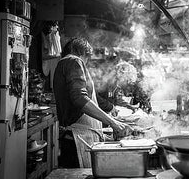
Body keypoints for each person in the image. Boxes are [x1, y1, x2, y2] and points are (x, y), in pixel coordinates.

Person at [53, 37, 132, 168]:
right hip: (77, 138)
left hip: (77, 137)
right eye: (87, 57)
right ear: (81, 52)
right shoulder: (73, 61)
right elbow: (79, 98)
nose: (87, 61)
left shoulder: (64, 64)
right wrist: (113, 122)